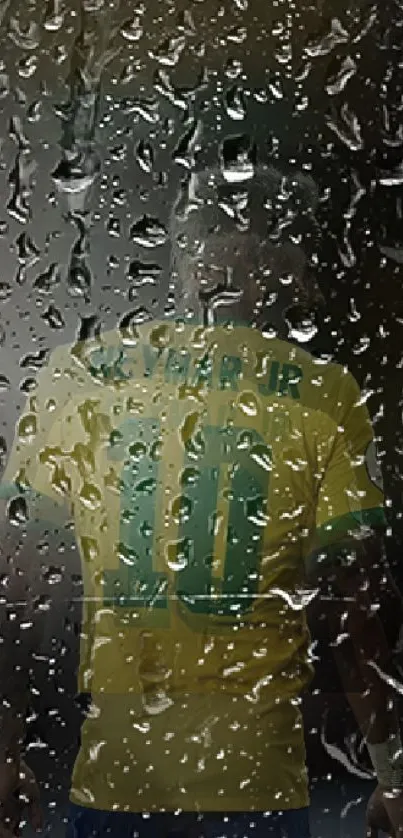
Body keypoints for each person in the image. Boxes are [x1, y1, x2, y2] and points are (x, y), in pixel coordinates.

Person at [0, 164, 402, 838]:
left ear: (187, 259)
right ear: (269, 263)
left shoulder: (75, 376)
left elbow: (19, 583)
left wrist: (5, 747)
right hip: (257, 775)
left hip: (113, 769)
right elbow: (349, 601)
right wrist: (392, 770)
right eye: (299, 264)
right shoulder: (323, 392)